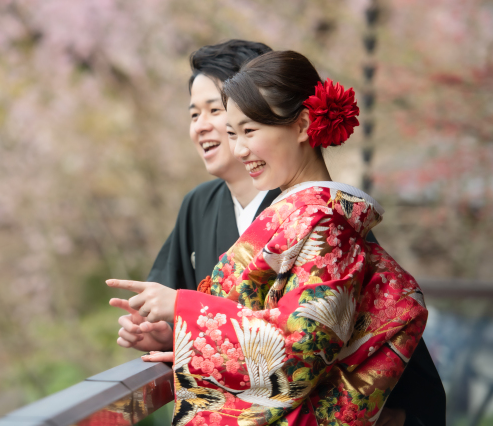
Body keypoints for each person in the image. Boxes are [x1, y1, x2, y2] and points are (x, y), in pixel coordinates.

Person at [108, 51, 431, 426]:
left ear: (302, 125)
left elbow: (296, 356)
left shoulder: (326, 224)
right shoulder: (297, 215)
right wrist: (177, 335)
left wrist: (185, 310)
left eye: (250, 131)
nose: (241, 149)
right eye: (233, 134)